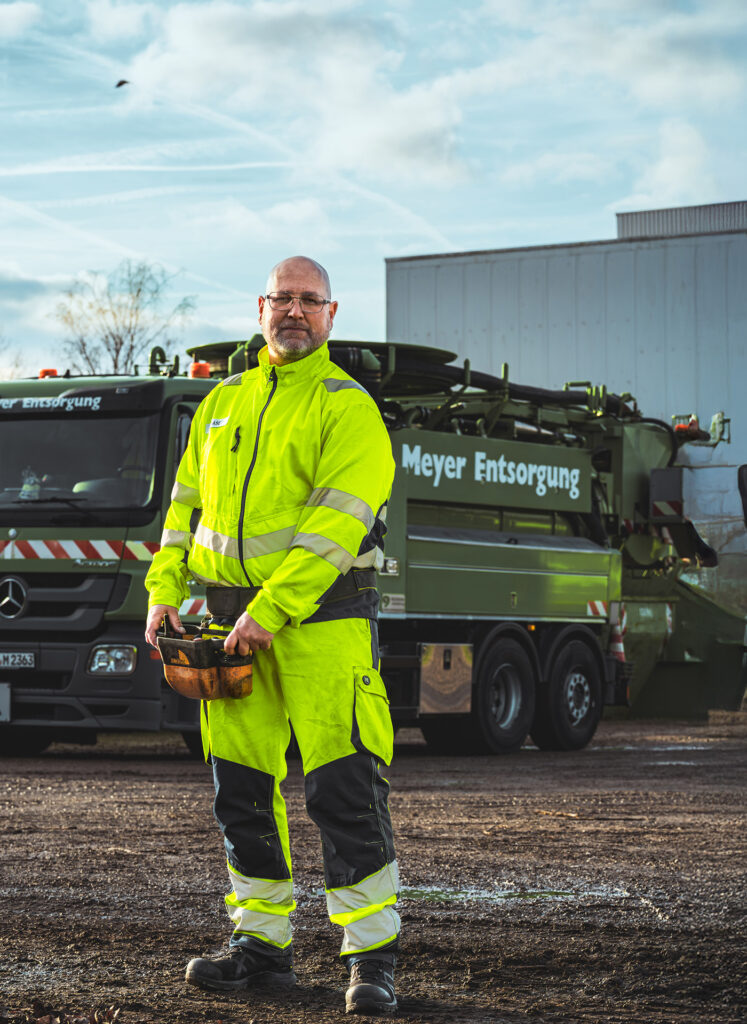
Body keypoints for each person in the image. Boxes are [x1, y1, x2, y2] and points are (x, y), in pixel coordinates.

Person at [144, 256, 400, 1015]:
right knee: (242, 793)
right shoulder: (221, 403)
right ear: (260, 309)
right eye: (281, 298)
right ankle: (260, 948)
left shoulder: (346, 406)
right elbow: (182, 512)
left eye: (307, 300)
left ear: (330, 315)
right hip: (225, 624)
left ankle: (371, 958)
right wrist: (164, 593)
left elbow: (334, 526)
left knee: (343, 790)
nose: (293, 310)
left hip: (322, 625)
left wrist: (273, 608)